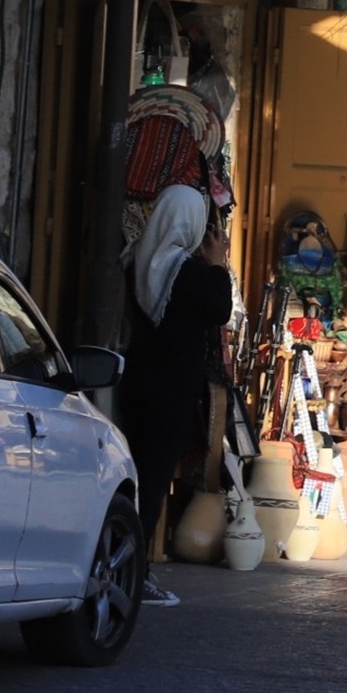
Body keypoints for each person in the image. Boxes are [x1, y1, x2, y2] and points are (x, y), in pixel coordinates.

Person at [119, 183, 233, 606]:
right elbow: (220, 308)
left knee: (133, 477)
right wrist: (218, 263)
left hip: (135, 381)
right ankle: (136, 573)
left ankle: (123, 565)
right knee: (151, 482)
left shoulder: (137, 259)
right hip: (171, 390)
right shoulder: (189, 272)